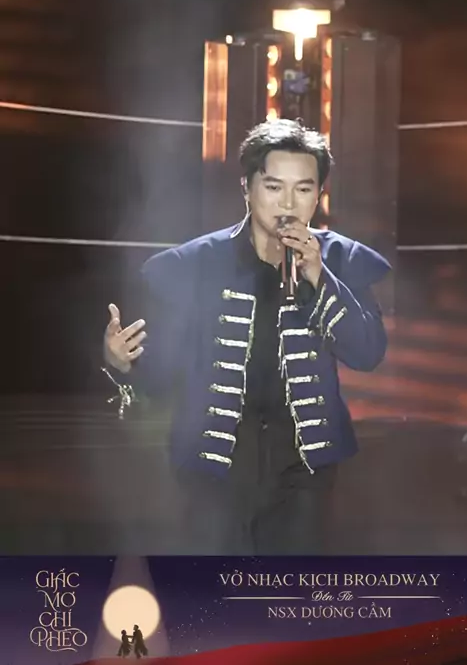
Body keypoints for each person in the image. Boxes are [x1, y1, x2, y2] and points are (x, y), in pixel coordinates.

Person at [103, 118, 391, 554]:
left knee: (288, 588)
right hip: (215, 463)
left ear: (318, 194)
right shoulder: (197, 263)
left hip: (303, 466)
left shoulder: (340, 259)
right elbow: (161, 372)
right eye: (274, 187)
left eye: (303, 189)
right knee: (216, 587)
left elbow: (368, 352)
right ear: (247, 187)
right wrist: (121, 362)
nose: (288, 203)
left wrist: (319, 276)